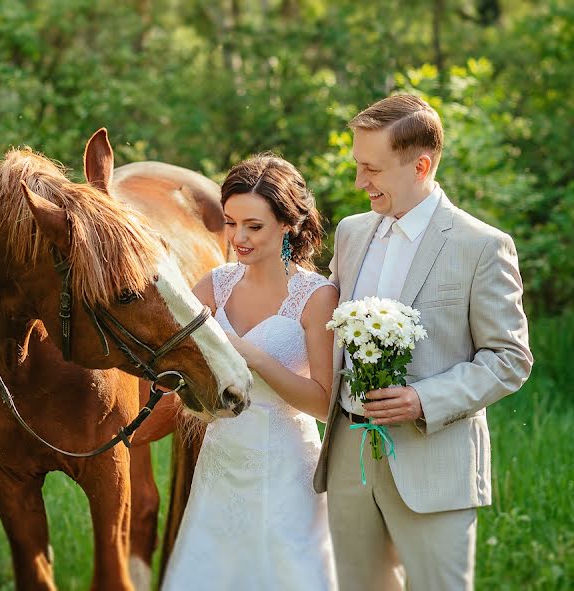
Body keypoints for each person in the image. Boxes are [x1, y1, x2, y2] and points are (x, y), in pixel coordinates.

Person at [313, 94, 533, 590]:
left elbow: (509, 359)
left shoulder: (481, 246)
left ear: (421, 165)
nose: (358, 182)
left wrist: (421, 400)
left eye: (371, 169)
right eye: (357, 165)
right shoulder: (351, 233)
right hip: (349, 456)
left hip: (434, 462)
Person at [162, 154, 339, 591]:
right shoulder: (213, 287)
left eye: (253, 226)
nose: (238, 238)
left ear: (288, 225)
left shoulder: (316, 298)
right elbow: (171, 361)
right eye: (230, 222)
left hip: (285, 468)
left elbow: (323, 404)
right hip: (220, 464)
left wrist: (255, 358)